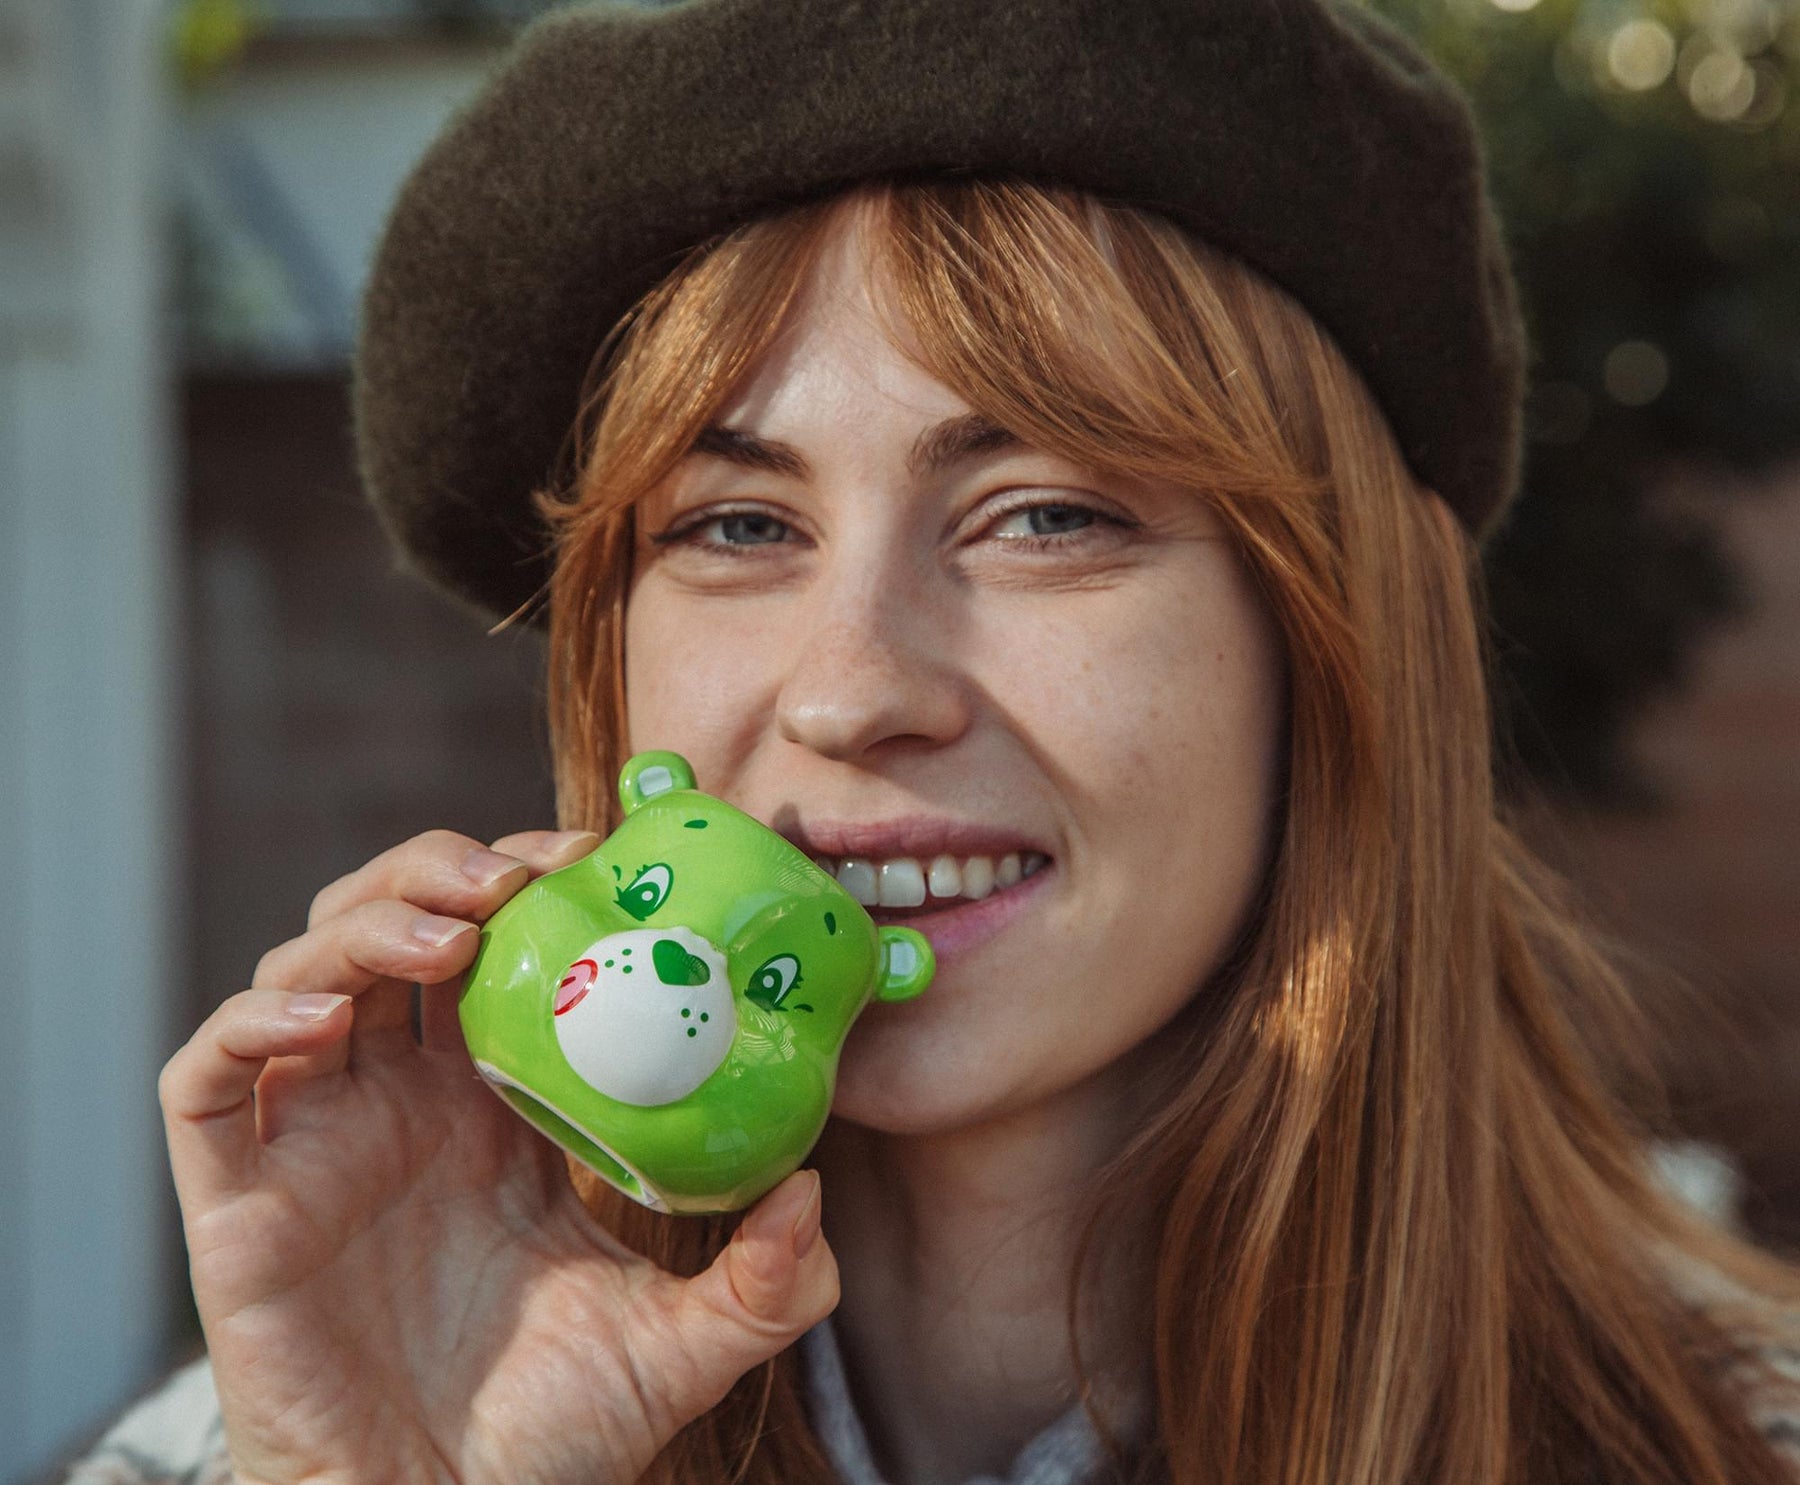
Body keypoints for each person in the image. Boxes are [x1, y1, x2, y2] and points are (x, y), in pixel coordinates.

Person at [63, 2, 1800, 1483]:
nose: (851, 687)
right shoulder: (278, 1437)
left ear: (1326, 639)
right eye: (735, 525)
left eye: (1042, 514)